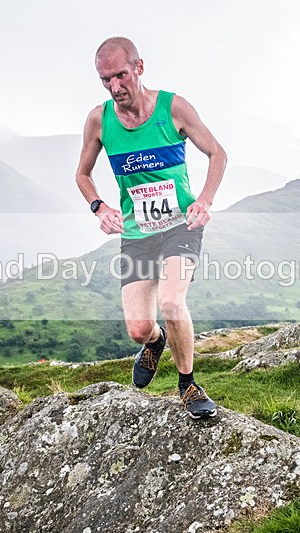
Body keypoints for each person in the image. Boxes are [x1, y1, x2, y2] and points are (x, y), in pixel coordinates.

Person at [75, 36, 227, 419]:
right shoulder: (99, 120)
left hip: (181, 225)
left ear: (139, 68)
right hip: (137, 232)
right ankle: (156, 342)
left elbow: (216, 153)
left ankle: (188, 384)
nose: (115, 87)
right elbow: (82, 174)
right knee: (138, 329)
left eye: (120, 76)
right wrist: (99, 206)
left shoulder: (173, 108)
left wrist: (205, 200)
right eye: (105, 79)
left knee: (172, 301)